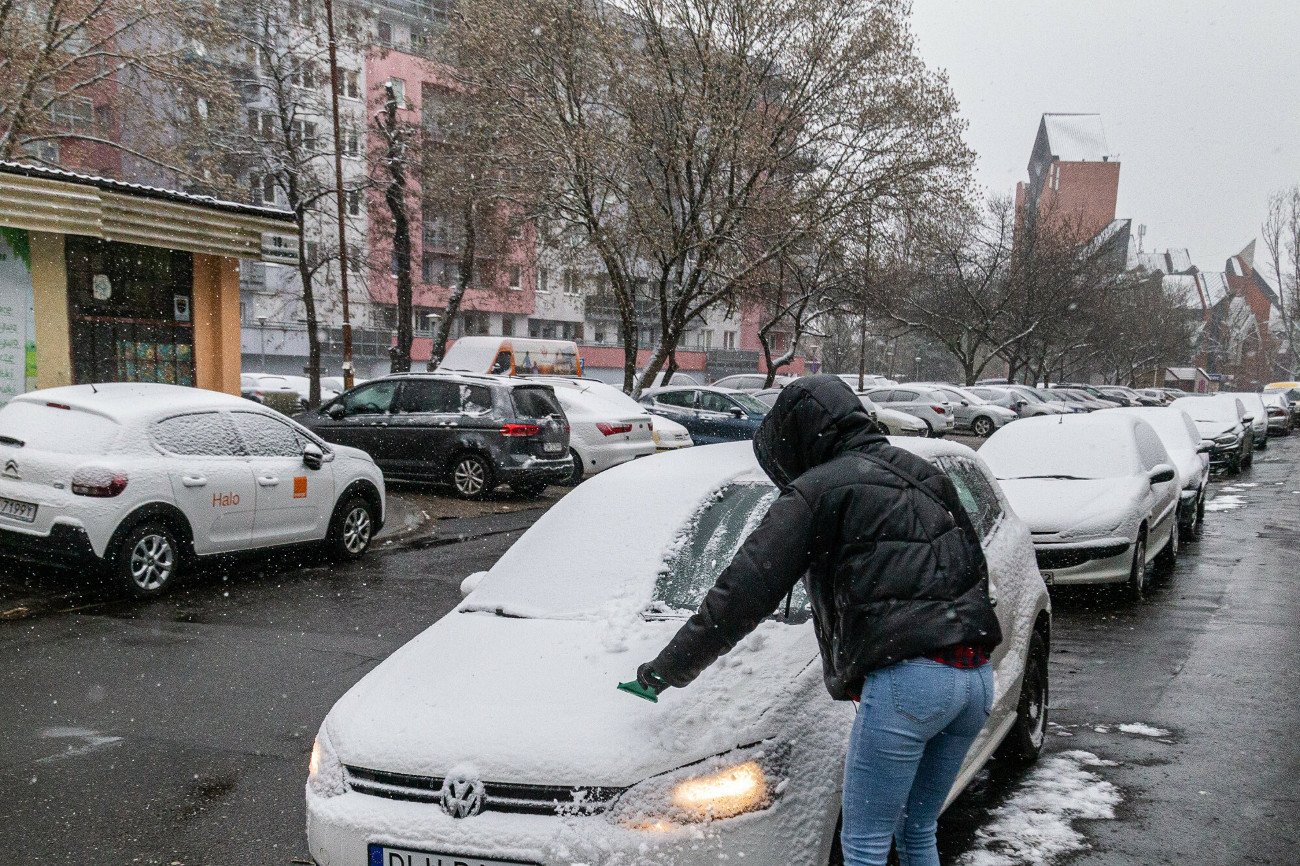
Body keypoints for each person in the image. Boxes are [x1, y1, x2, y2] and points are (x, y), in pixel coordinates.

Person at [635, 375, 1002, 866]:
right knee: (917, 831)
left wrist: (668, 669)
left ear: (796, 437)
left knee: (866, 846)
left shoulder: (819, 489)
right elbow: (972, 566)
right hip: (974, 679)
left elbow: (742, 594)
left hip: (910, 685)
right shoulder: (922, 473)